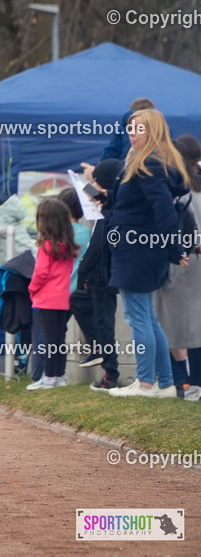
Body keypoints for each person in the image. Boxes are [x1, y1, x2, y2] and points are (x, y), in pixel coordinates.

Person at [104, 108, 190, 398]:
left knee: (138, 316)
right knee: (147, 317)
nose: (131, 132)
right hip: (137, 248)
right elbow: (138, 207)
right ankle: (164, 384)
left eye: (139, 128)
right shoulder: (143, 162)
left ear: (152, 132)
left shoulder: (149, 164)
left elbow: (163, 210)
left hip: (137, 250)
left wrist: (174, 248)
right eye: (130, 127)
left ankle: (145, 383)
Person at [153, 134, 201, 399]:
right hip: (196, 259)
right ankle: (195, 382)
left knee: (169, 325)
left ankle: (178, 380)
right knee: (196, 325)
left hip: (176, 257)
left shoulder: (174, 189)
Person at [69, 159, 123, 391]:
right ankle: (98, 348)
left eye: (98, 185)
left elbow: (98, 247)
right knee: (78, 300)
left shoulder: (110, 211)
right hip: (98, 274)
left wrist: (83, 271)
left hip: (103, 274)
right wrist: (84, 181)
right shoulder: (107, 202)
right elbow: (97, 194)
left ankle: (111, 373)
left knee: (105, 323)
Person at [25, 199, 78, 390]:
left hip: (46, 299)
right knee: (59, 338)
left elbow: (41, 273)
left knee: (48, 339)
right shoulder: (70, 247)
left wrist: (32, 289)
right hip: (63, 298)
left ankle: (48, 377)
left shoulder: (45, 247)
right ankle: (59, 376)